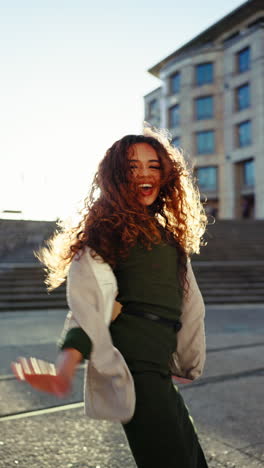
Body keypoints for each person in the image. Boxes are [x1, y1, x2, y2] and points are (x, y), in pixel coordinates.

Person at [12, 127, 208, 467]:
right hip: (135, 363)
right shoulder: (108, 230)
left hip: (157, 362)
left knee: (190, 456)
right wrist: (63, 370)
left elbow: (186, 301)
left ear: (166, 174)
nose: (144, 174)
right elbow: (90, 305)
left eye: (153, 165)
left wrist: (184, 357)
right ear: (116, 176)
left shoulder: (165, 230)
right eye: (132, 167)